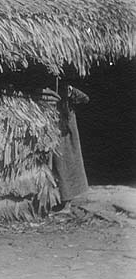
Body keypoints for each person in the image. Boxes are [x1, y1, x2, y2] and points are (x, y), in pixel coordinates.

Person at [42, 83, 90, 213]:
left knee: (65, 167)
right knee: (56, 168)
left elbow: (85, 98)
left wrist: (71, 91)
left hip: (66, 135)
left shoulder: (68, 96)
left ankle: (66, 204)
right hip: (55, 133)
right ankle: (61, 202)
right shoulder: (50, 94)